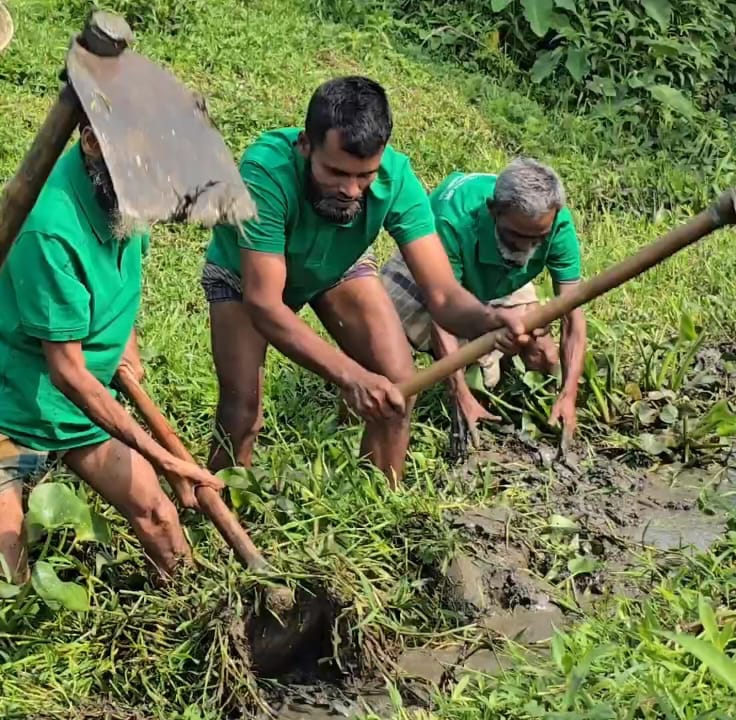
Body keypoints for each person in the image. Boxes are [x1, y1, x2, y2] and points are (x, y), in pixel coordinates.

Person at [199, 75, 528, 485]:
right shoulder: (265, 172)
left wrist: (488, 320)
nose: (351, 190)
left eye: (364, 176)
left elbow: (443, 293)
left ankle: (376, 501)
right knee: (242, 412)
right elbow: (265, 304)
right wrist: (351, 376)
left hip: (338, 266)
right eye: (335, 172)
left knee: (397, 391)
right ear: (306, 145)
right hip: (243, 278)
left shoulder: (397, 179)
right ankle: (214, 507)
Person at [0, 119, 224, 588]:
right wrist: (165, 458)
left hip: (81, 407)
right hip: (6, 405)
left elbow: (113, 286)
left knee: (158, 515)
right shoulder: (49, 228)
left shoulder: (128, 192)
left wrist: (123, 343)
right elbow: (68, 375)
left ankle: (190, 609)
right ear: (93, 141)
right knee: (7, 561)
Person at [379, 158, 586, 452]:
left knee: (543, 353)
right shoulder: (452, 219)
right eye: (516, 237)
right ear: (493, 211)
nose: (527, 249)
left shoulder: (556, 225)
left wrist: (569, 394)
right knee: (379, 344)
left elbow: (572, 317)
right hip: (433, 273)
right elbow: (443, 310)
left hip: (502, 277)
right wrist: (461, 395)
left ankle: (525, 393)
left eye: (537, 239)